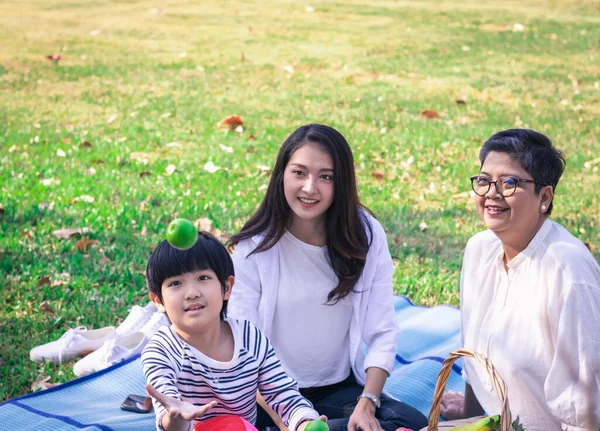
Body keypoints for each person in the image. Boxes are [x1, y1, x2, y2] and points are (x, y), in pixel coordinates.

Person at [228, 124, 428, 431]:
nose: (310, 188)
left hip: (337, 388)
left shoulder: (366, 235)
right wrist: (289, 423)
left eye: (326, 176)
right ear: (282, 174)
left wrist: (367, 403)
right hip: (268, 396)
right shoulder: (252, 248)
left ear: (342, 183)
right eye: (299, 172)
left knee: (409, 421)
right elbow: (243, 352)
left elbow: (383, 331)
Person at [440, 129, 600, 431]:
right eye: (484, 180)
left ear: (545, 196)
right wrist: (471, 418)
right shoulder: (479, 249)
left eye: (509, 182)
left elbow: (587, 411)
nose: (491, 193)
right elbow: (475, 362)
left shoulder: (568, 272)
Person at [141, 232, 327, 431]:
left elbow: (282, 393)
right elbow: (170, 420)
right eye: (175, 283)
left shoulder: (250, 339)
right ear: (158, 300)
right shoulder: (160, 351)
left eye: (203, 278)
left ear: (227, 287)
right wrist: (177, 416)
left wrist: (304, 423)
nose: (192, 293)